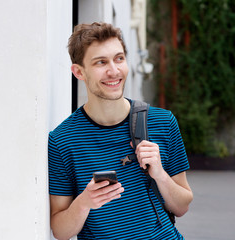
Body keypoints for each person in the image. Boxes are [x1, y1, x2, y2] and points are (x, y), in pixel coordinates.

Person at [48, 22, 193, 240]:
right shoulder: (62, 140)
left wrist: (160, 175)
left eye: (119, 58)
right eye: (101, 62)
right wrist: (84, 202)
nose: (114, 71)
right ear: (79, 72)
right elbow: (60, 231)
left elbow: (182, 206)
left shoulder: (163, 122)